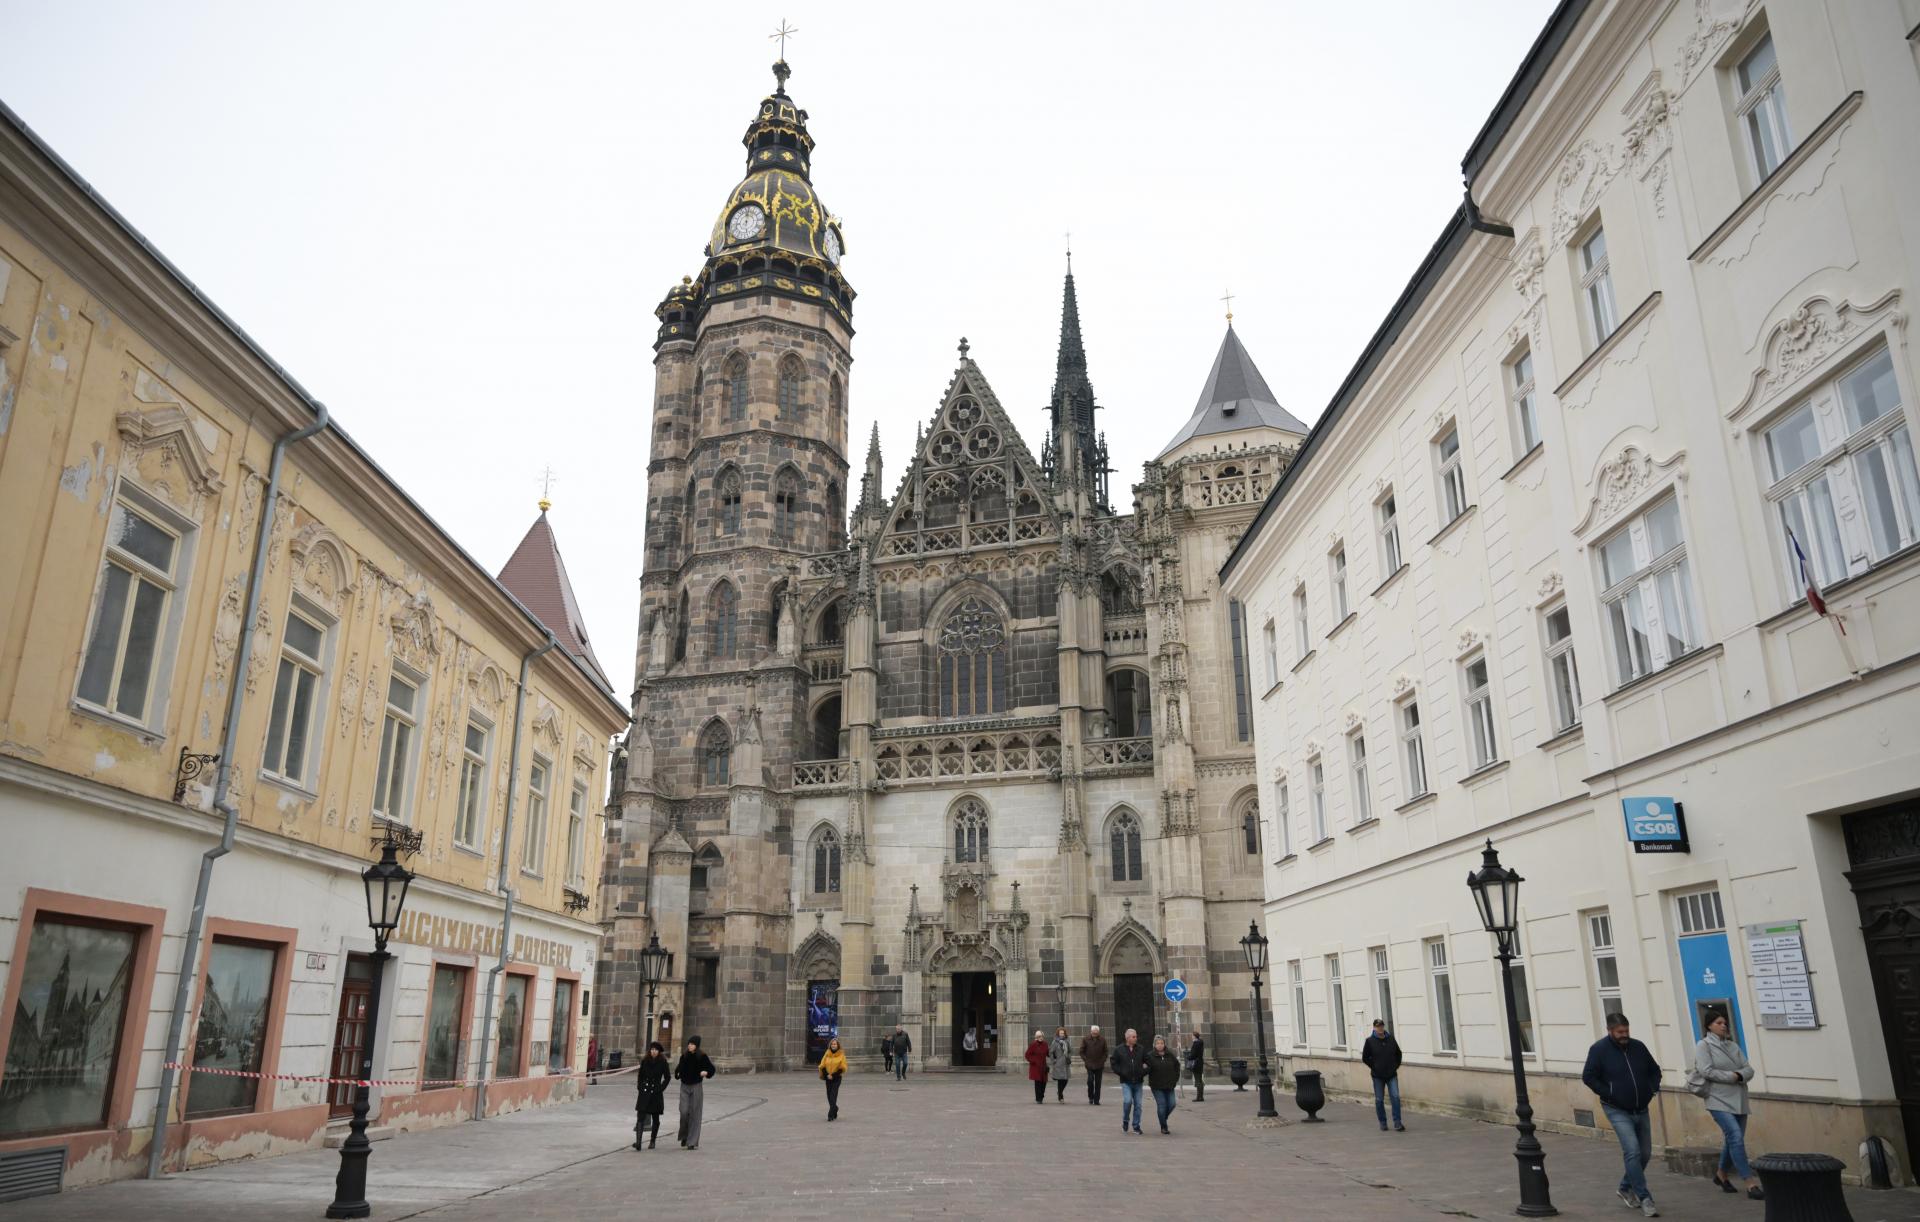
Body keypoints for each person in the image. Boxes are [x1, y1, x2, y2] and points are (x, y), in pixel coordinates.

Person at [1583, 1013, 1663, 1217]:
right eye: (1620, 1032)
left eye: (1626, 1031)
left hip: (1641, 1107)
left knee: (1645, 1154)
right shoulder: (1599, 1050)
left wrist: (1651, 1088)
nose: (1624, 1035)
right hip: (1616, 1109)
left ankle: (1625, 1187)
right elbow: (1588, 1076)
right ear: (1610, 1031)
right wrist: (1609, 1092)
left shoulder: (1638, 1047)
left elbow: (1655, 1071)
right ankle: (1645, 1197)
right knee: (1633, 1151)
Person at [1694, 1010, 1763, 1200]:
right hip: (1717, 1098)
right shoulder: (1704, 1045)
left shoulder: (1733, 1046)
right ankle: (1750, 1182)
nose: (1723, 1025)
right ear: (1709, 1026)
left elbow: (1748, 1068)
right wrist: (1733, 1076)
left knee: (1733, 1139)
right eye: (1718, 1023)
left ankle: (1721, 1175)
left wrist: (1740, 1075)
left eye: (1725, 1022)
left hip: (1739, 1098)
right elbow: (1706, 1071)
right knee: (1735, 1136)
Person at [673, 1035, 717, 1150]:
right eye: (689, 1044)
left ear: (696, 1046)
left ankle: (691, 1142)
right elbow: (678, 1069)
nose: (689, 1046)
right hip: (684, 1087)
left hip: (696, 1086)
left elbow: (712, 1069)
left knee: (694, 1113)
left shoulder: (702, 1056)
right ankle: (684, 1135)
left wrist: (706, 1073)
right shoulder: (684, 1055)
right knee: (684, 1111)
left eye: (692, 1044)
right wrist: (677, 1074)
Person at [1361, 1019, 1405, 1131]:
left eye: (1381, 1026)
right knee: (1379, 1099)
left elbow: (1398, 1053)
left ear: (1383, 1027)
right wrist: (1374, 1066)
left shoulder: (1391, 1039)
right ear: (1374, 1028)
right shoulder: (1370, 1041)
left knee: (1395, 1097)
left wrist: (1395, 1066)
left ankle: (1397, 1122)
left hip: (1391, 1074)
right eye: (1377, 1027)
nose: (1380, 1028)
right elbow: (1365, 1058)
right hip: (1377, 1076)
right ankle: (1383, 1122)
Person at [1109, 1028, 1149, 1135]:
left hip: (1138, 1081)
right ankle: (1125, 1121)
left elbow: (1148, 1061)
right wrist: (1121, 1072)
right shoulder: (1119, 1049)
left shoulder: (1141, 1049)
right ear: (1127, 1038)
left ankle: (1136, 1126)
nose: (1136, 1038)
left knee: (1138, 1105)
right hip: (1126, 1081)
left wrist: (1143, 1071)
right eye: (1133, 1037)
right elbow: (1113, 1063)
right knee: (1127, 1102)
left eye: (1136, 1036)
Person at [634, 1041, 669, 1150]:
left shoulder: (663, 1062)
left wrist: (661, 1088)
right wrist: (639, 1087)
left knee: (655, 1117)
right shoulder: (645, 1061)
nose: (653, 1052)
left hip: (656, 1093)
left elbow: (667, 1077)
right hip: (644, 1092)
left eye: (656, 1050)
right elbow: (640, 1075)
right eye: (652, 1049)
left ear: (659, 1052)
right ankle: (638, 1142)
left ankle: (652, 1141)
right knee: (640, 1116)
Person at [1146, 1034, 1182, 1134]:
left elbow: (1176, 1066)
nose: (1160, 1045)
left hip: (1169, 1085)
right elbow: (1146, 1068)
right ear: (1154, 1045)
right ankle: (1163, 1126)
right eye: (1157, 1043)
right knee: (1162, 1105)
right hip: (1157, 1086)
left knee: (1172, 1104)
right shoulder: (1150, 1056)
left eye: (1161, 1043)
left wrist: (1175, 1078)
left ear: (1164, 1044)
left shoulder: (1170, 1054)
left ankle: (1163, 1118)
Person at [819, 1036, 848, 1121]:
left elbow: (843, 1067)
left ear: (838, 1045)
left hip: (836, 1078)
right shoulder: (827, 1053)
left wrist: (833, 1075)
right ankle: (835, 1108)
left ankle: (830, 1115)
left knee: (833, 1096)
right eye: (832, 1044)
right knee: (829, 1096)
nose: (833, 1045)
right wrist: (827, 1074)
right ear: (830, 1045)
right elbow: (822, 1065)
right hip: (828, 1078)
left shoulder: (841, 1054)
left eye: (835, 1044)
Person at [1080, 1025, 1108, 1105]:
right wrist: (1085, 1059)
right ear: (1091, 1032)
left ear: (1098, 1032)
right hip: (1089, 1064)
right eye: (1093, 1032)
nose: (1095, 1033)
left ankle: (1096, 1100)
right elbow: (1081, 1051)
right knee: (1090, 1080)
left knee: (1098, 1083)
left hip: (1099, 1064)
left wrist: (1103, 1060)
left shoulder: (1102, 1040)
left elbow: (1106, 1052)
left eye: (1096, 1032)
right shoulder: (1085, 1039)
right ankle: (1091, 1097)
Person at [1048, 1027, 1073, 1102]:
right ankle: (1060, 1096)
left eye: (1063, 1033)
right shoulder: (1055, 1042)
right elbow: (1051, 1052)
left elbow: (1070, 1051)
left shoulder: (1067, 1041)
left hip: (1065, 1064)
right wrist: (1054, 1061)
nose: (1062, 1034)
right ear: (1058, 1033)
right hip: (1058, 1064)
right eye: (1060, 1033)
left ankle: (1059, 1092)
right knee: (1060, 1080)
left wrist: (1069, 1056)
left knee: (1065, 1080)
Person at [1024, 1030, 1050, 1103]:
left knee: (1044, 1083)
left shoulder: (1045, 1044)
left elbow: (1048, 1053)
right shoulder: (1033, 1045)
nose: (1040, 1038)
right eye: (1039, 1036)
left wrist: (1054, 1054)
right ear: (1036, 1037)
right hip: (1036, 1067)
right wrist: (1034, 1061)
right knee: (1038, 1083)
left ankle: (1041, 1096)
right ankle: (1038, 1099)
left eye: (1041, 1036)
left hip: (1043, 1066)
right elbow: (1027, 1055)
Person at [1185, 1033, 1207, 1103]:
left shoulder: (1196, 1044)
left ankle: (1199, 1097)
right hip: (1199, 1063)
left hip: (1196, 1064)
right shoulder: (1200, 1043)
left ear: (1194, 1036)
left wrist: (1188, 1057)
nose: (1191, 1037)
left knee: (1198, 1080)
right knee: (1199, 1079)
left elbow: (1193, 1055)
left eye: (1192, 1036)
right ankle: (1200, 1096)